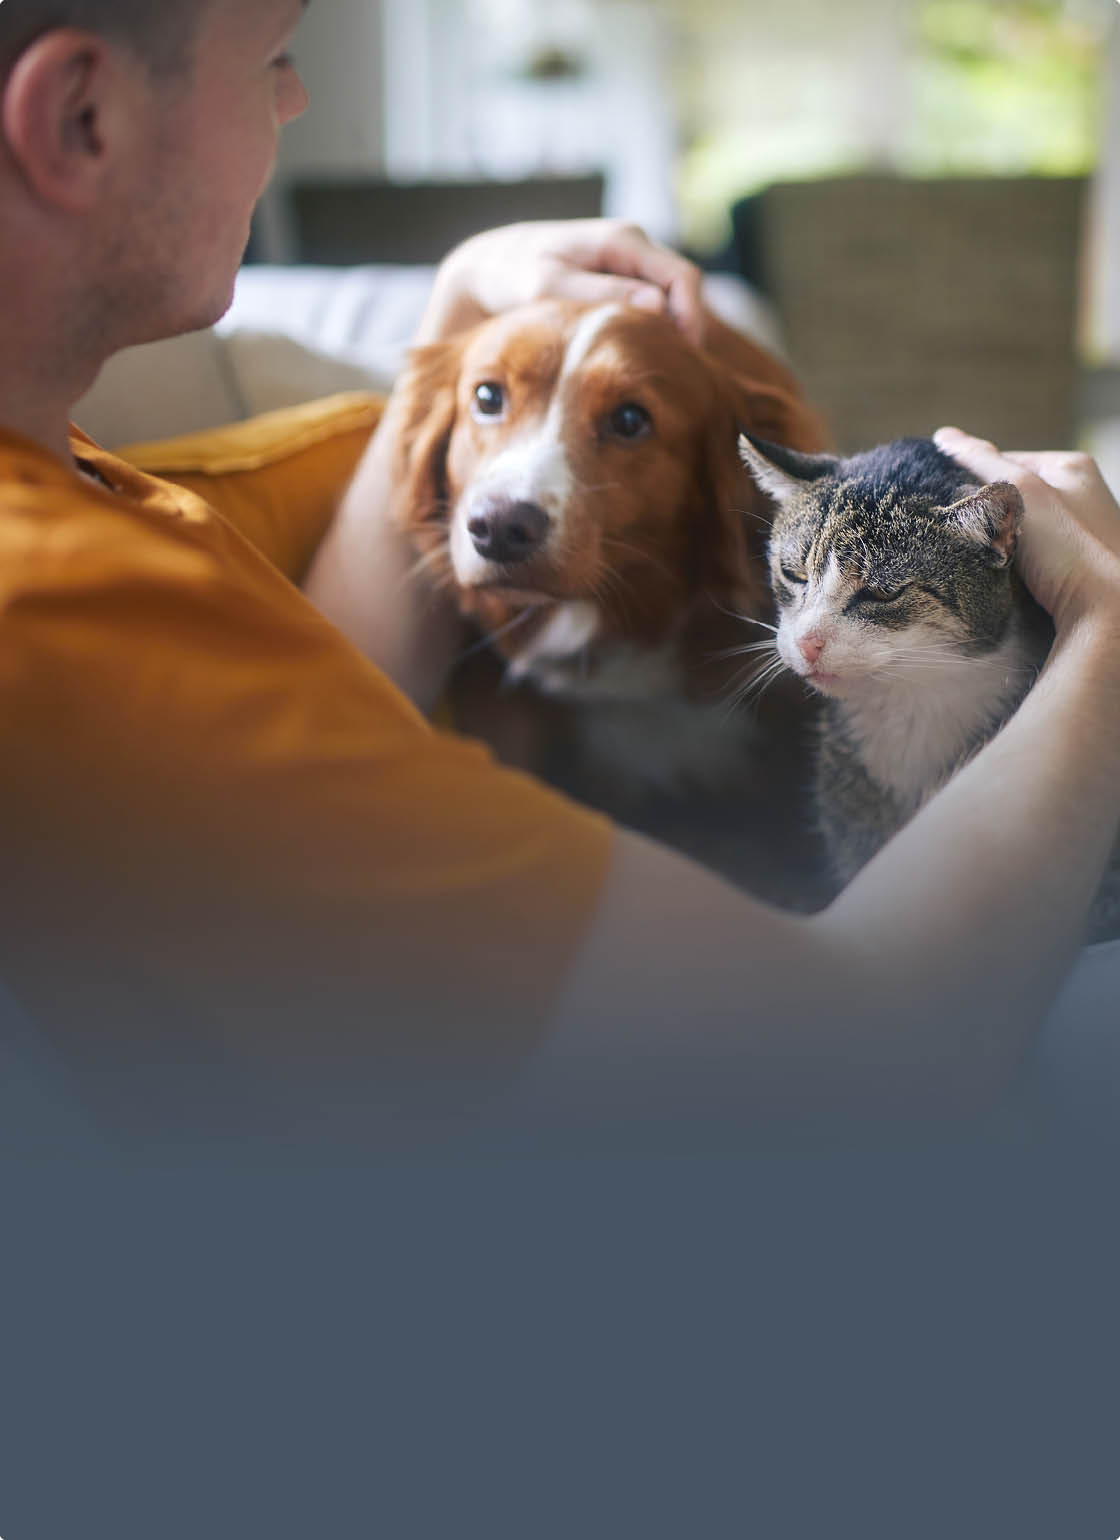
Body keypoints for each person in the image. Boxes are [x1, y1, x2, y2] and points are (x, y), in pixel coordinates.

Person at [1, 0, 1118, 1136]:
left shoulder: (71, 477)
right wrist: (1102, 630)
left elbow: (333, 696)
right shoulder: (47, 610)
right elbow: (863, 1061)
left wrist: (465, 300)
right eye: (272, 57)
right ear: (81, 116)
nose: (293, 96)